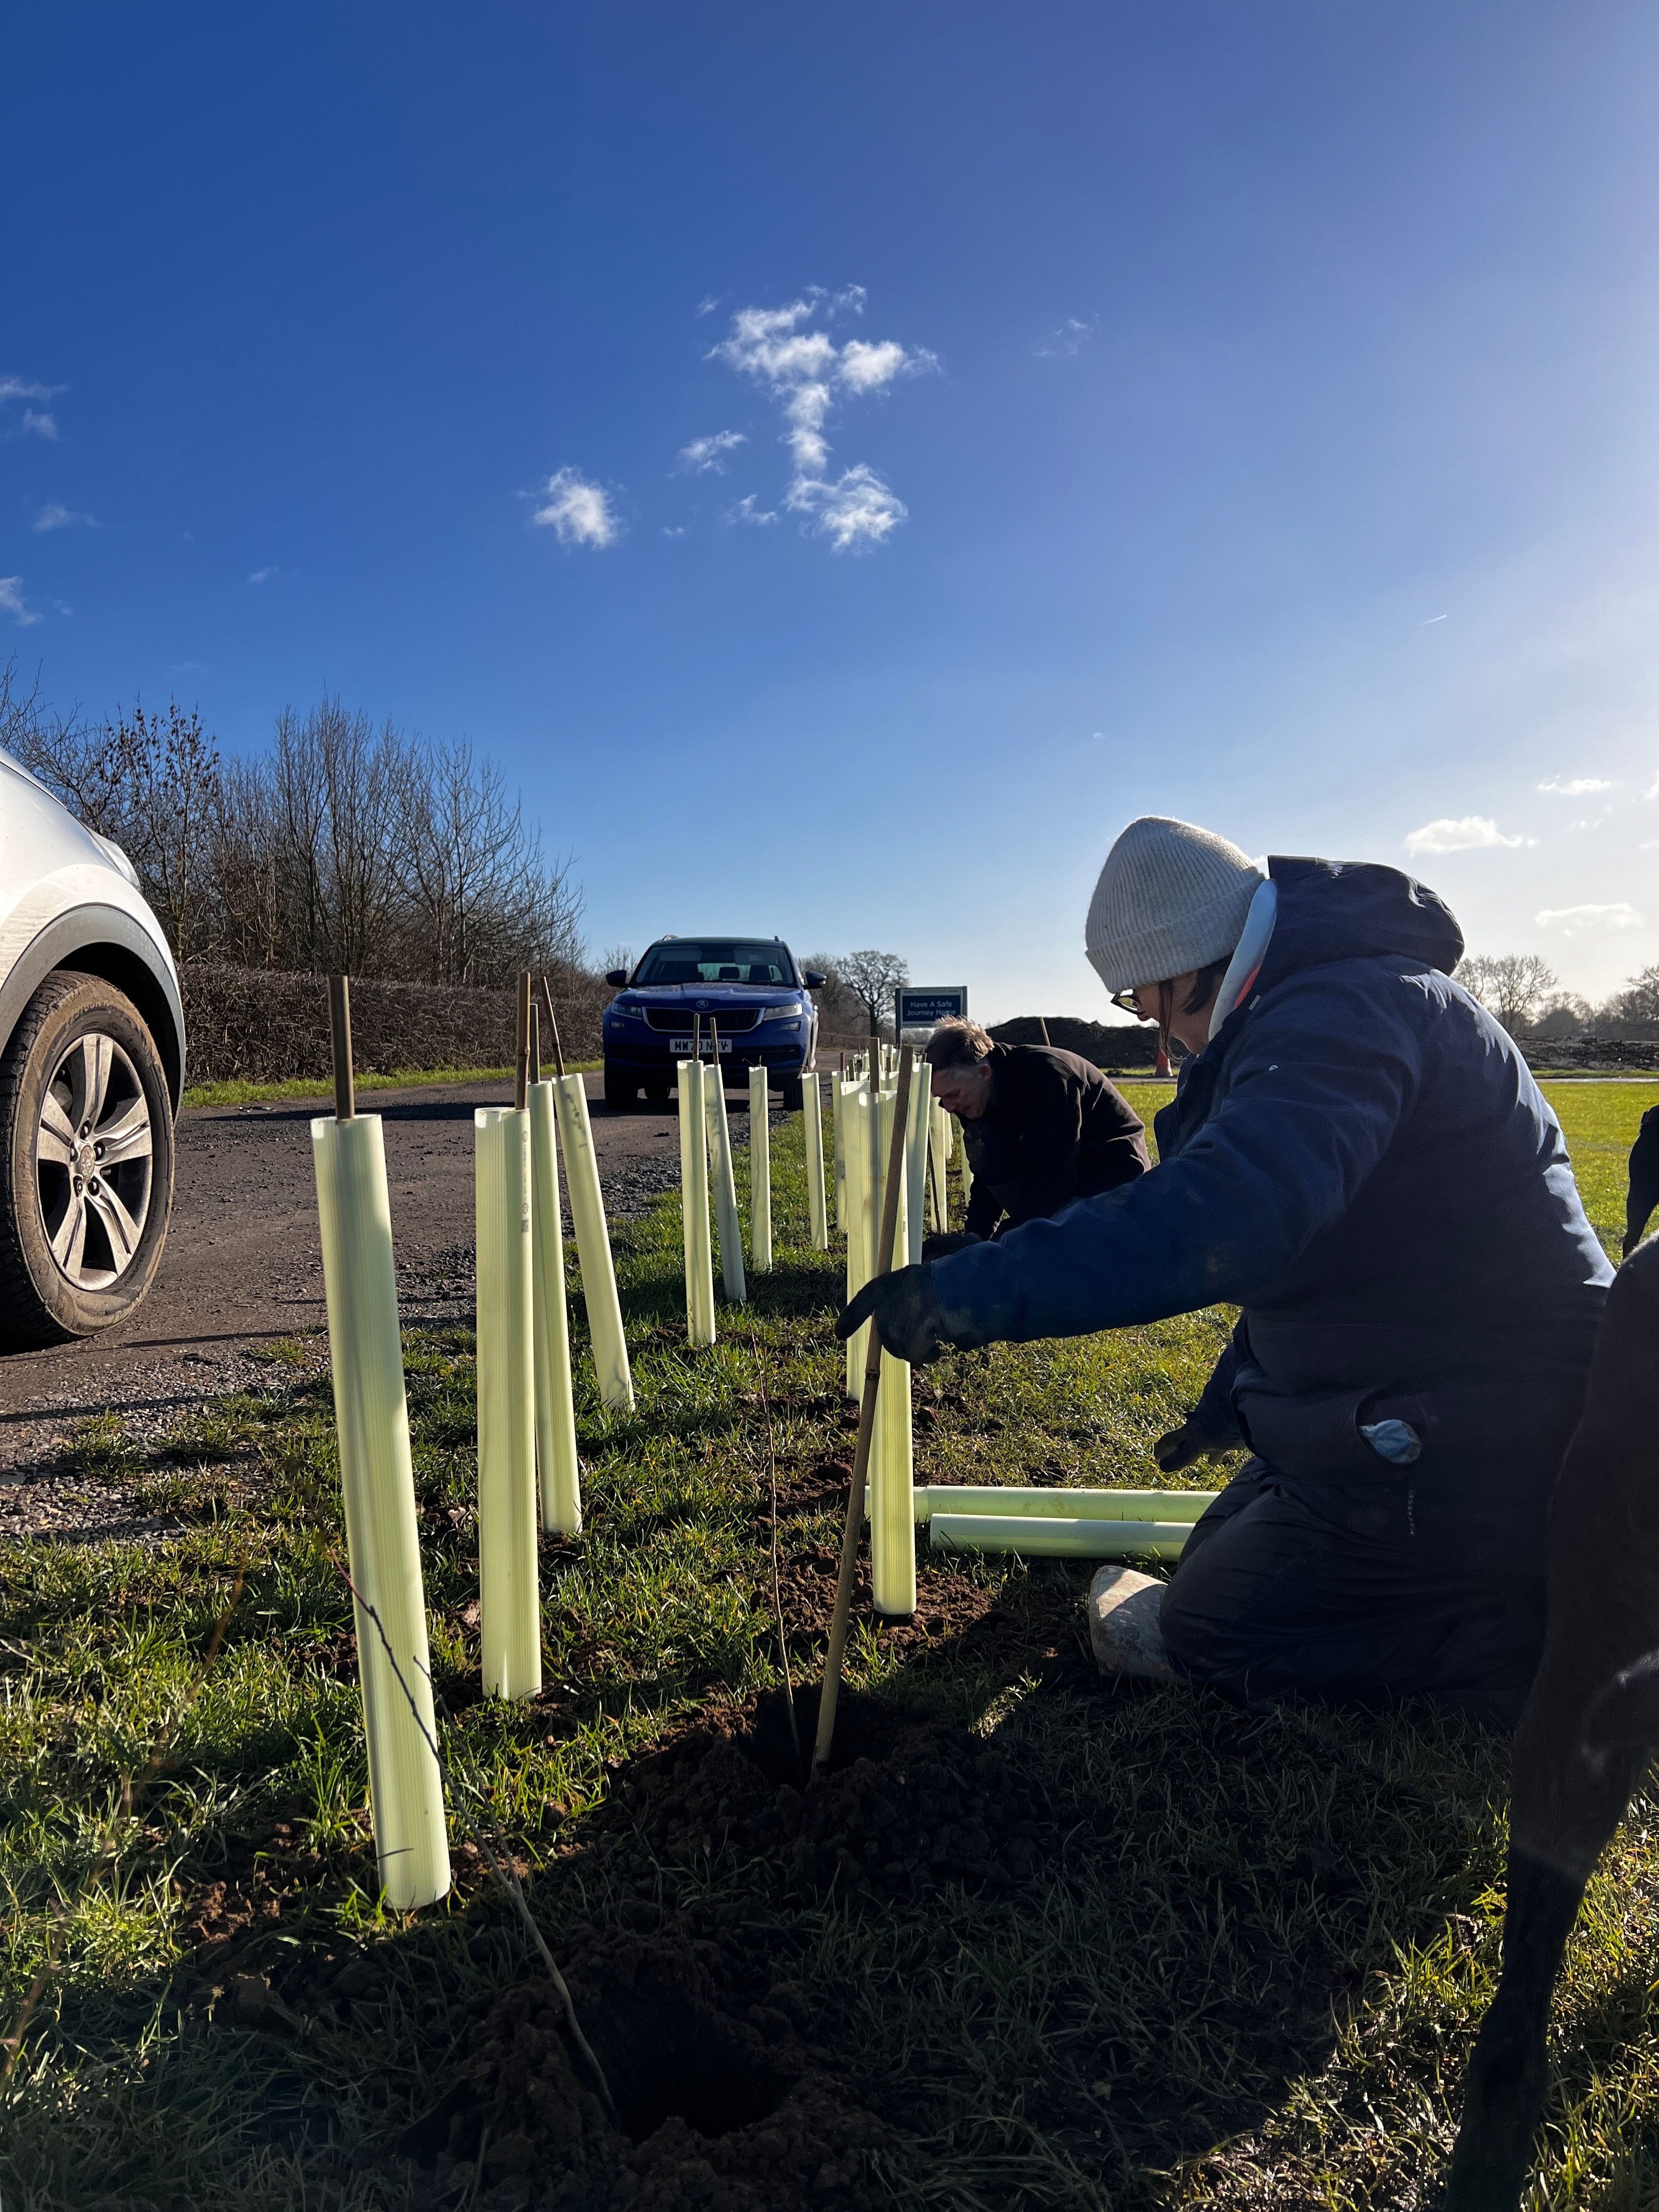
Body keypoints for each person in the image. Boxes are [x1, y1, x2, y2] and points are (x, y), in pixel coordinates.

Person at [841, 816, 1613, 1729]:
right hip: (1413, 1393)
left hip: (1487, 1425)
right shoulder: (1314, 1001)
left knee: (1211, 1628)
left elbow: (1233, 1210)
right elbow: (1329, 1257)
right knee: (1211, 1558)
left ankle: (1542, 1636)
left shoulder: (1344, 1011)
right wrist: (1238, 1400)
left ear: (1191, 963)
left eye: (1145, 1000)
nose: (1157, 1027)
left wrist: (966, 1294)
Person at [922, 1016, 1149, 1258]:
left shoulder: (1048, 1077)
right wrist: (975, 1236)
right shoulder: (973, 1096)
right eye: (941, 1098)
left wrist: (997, 1245)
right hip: (1062, 1180)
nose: (947, 1107)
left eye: (952, 1095)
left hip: (1114, 1181)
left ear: (984, 1072)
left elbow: (1052, 1187)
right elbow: (988, 1169)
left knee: (1036, 1255)